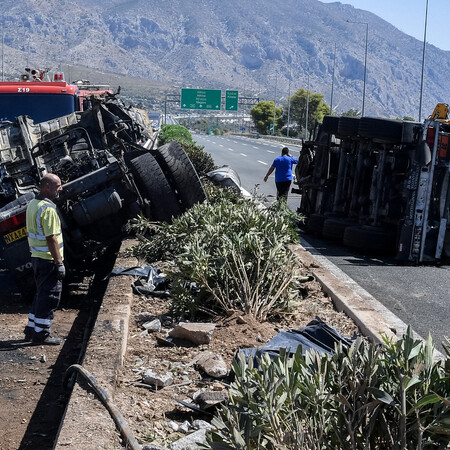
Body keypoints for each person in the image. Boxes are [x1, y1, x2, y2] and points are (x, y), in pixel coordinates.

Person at [24, 173, 65, 345]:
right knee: (49, 296)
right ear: (47, 187)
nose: (60, 189)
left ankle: (32, 328)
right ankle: (41, 334)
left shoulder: (33, 204)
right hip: (48, 260)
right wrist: (59, 263)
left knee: (41, 294)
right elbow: (51, 238)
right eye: (57, 185)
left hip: (37, 258)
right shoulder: (48, 209)